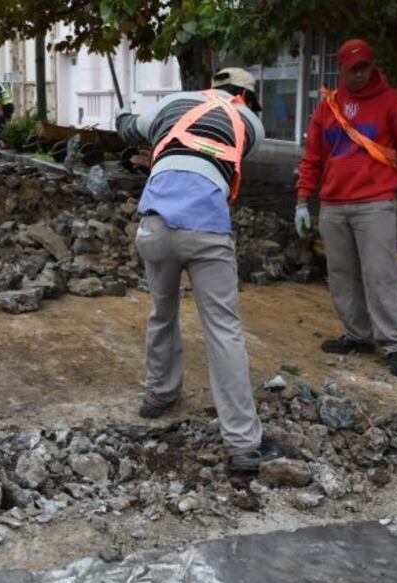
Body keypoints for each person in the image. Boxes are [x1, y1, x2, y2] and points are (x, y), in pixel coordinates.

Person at [116, 68, 281, 472]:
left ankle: (158, 395)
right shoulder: (251, 123)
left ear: (213, 85)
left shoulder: (174, 103)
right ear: (245, 95)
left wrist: (124, 120)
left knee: (162, 311)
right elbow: (217, 159)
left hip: (155, 225)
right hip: (206, 229)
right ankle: (243, 443)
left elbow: (130, 130)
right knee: (223, 329)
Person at [295, 38, 397, 379]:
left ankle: (394, 345)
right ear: (340, 68)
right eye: (352, 68)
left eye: (364, 67)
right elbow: (313, 158)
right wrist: (301, 201)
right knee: (342, 276)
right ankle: (358, 335)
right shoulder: (328, 107)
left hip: (375, 204)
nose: (359, 74)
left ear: (372, 66)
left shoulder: (391, 102)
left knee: (380, 275)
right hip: (333, 205)